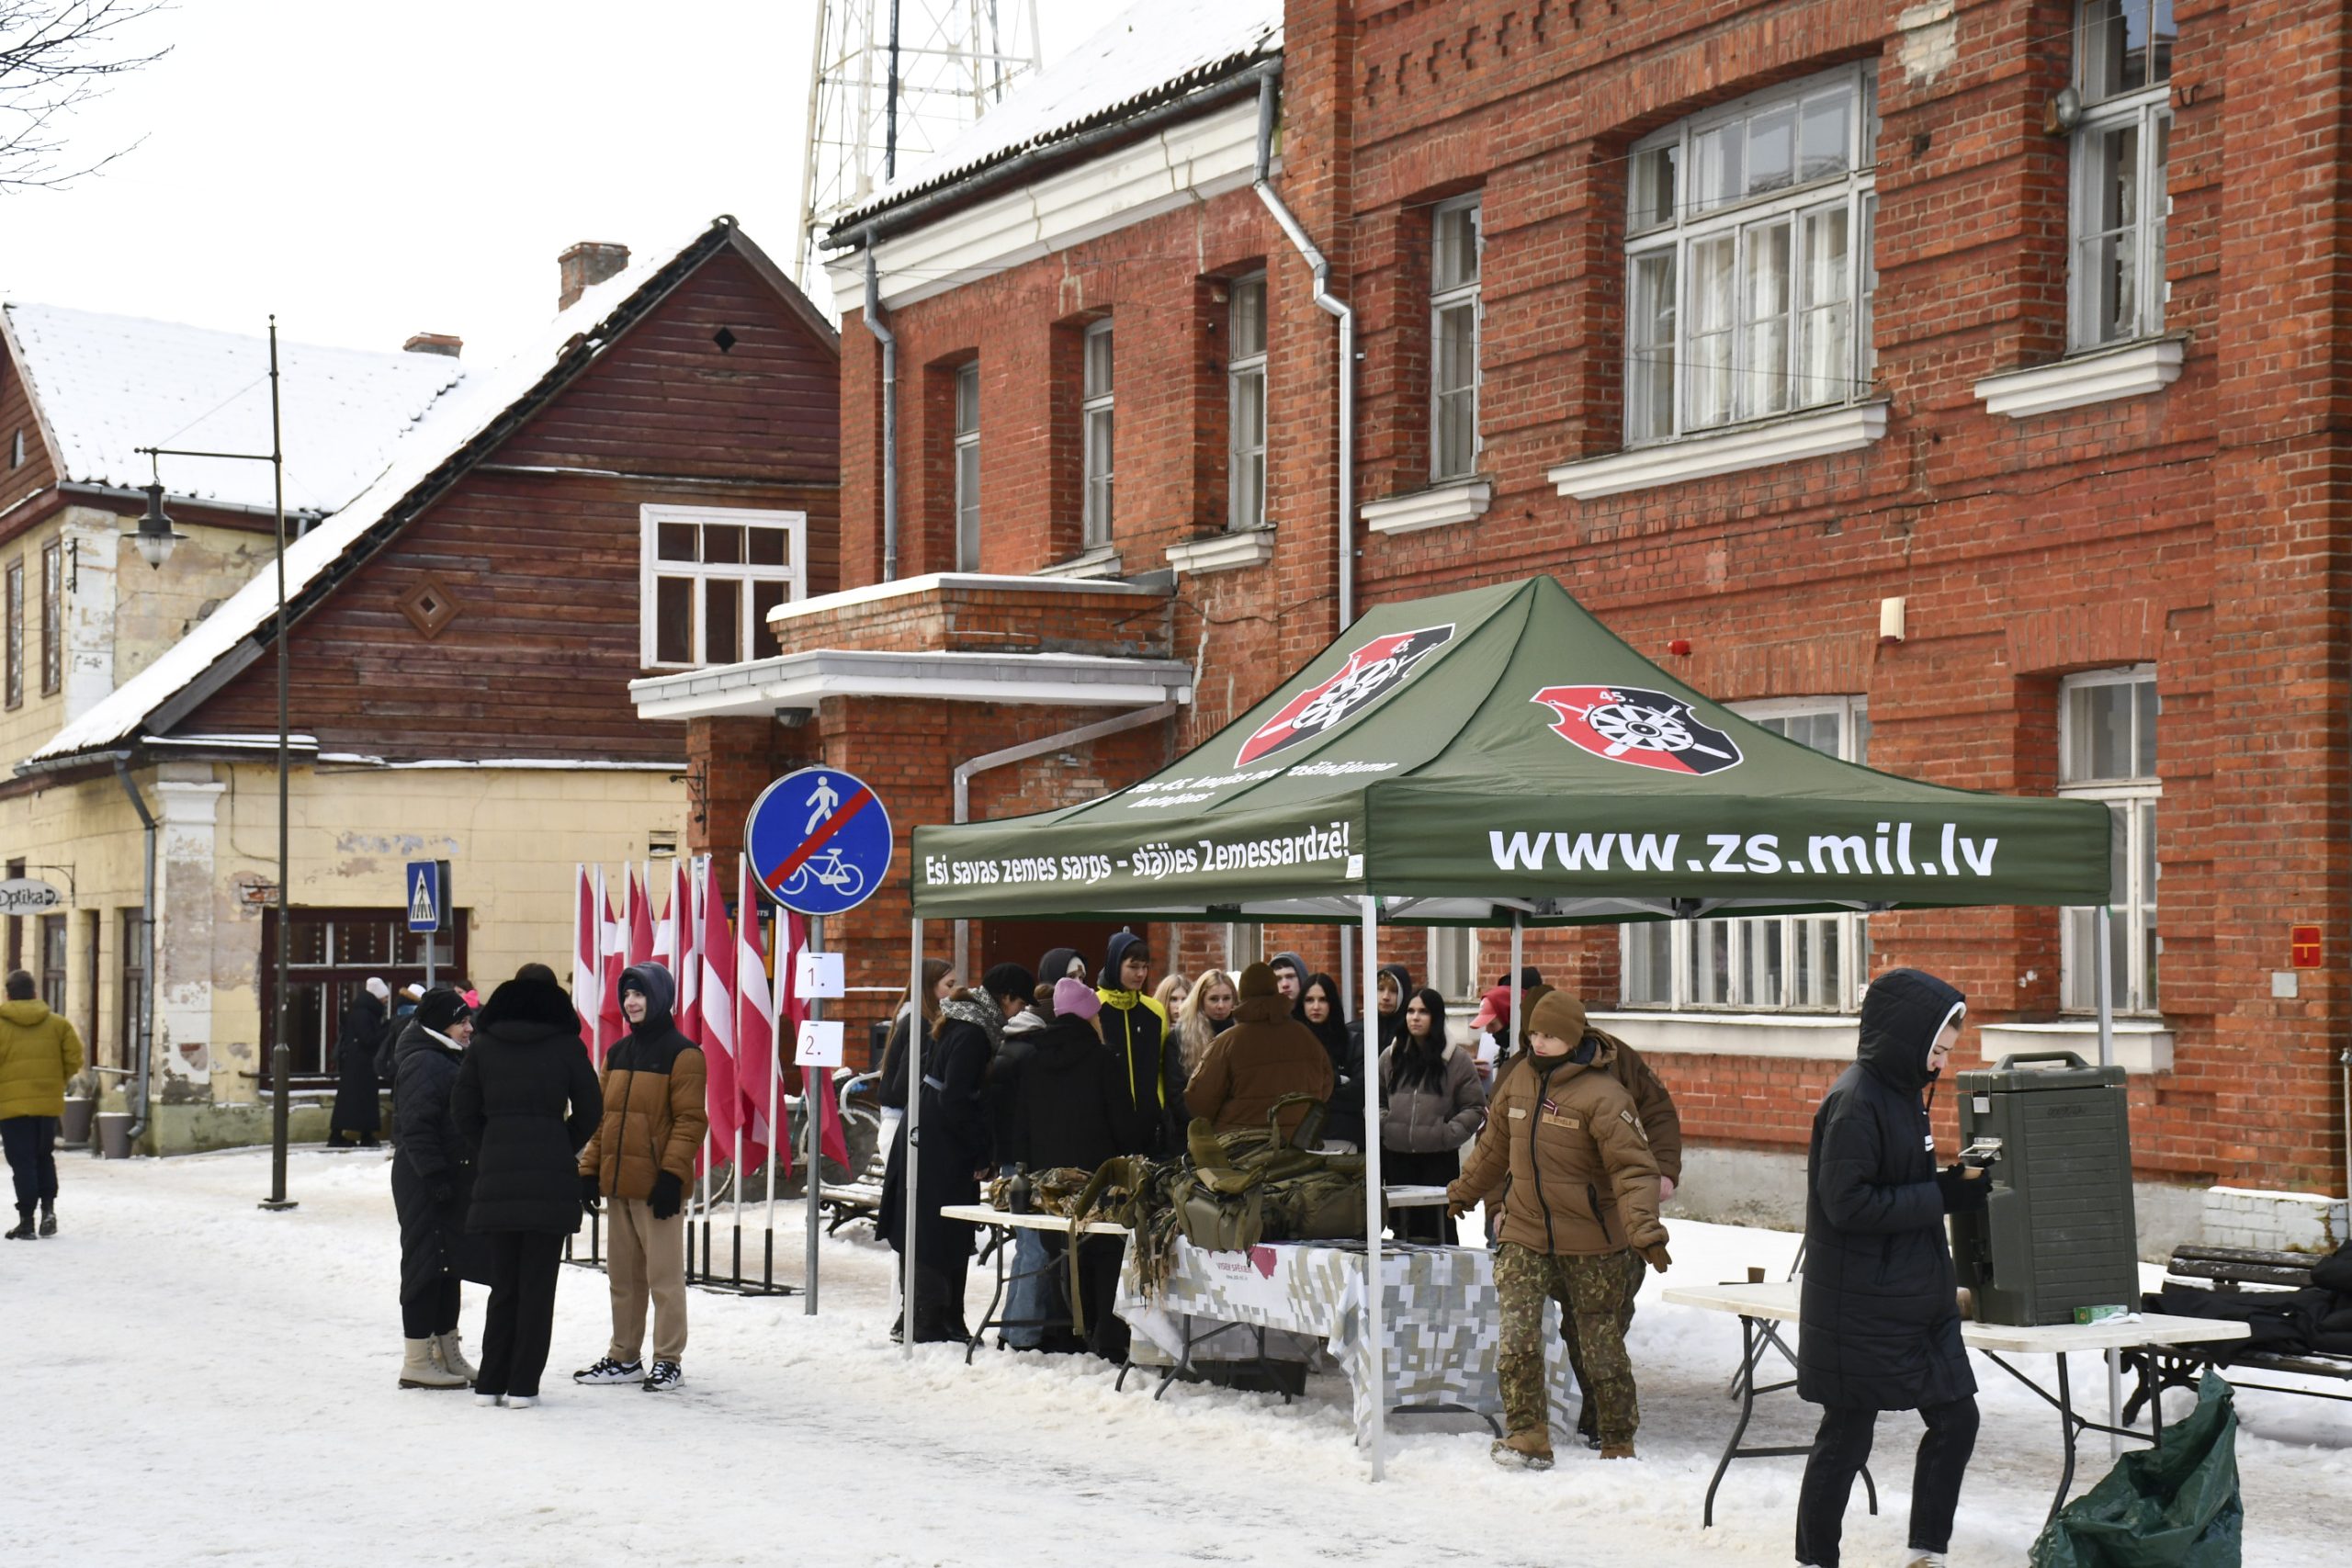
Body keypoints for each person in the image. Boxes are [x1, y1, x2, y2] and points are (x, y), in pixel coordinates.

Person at [1794, 968, 1985, 1568]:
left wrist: (1953, 1186)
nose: (1941, 1062)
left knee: (1957, 1418)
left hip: (1913, 1299)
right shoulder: (1856, 1101)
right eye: (1937, 1049)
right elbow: (1847, 1204)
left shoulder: (1901, 1091)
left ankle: (1927, 1552)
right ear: (1906, 1037)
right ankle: (1815, 1559)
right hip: (1861, 1304)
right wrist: (1939, 1196)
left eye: (1946, 1052)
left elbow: (1898, 1184)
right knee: (1846, 1435)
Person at [1447, 988, 1668, 1469]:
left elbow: (1634, 1169)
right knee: (1518, 1337)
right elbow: (1493, 1148)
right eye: (1534, 1034)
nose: (1539, 1043)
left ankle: (1617, 1437)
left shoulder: (1605, 1095)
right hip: (1524, 1232)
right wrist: (1464, 1190)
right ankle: (1527, 1433)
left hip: (1591, 1241)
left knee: (1598, 1345)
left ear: (1572, 1037)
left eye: (1550, 1035)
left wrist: (1644, 1230)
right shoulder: (1519, 1080)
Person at [451, 965, 602, 1408]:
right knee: (537, 1287)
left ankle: (490, 1383)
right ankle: (522, 1387)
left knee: (503, 1286)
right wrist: (560, 1143)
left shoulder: (484, 1044)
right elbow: (591, 1108)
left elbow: (462, 1110)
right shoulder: (566, 1045)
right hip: (549, 1180)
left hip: (497, 1177)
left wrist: (491, 1145)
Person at [877, 962, 1033, 1343]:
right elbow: (957, 1096)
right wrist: (979, 1151)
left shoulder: (966, 1020)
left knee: (943, 1225)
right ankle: (927, 1319)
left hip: (932, 1132)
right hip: (940, 1141)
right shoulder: (974, 1032)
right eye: (1019, 1003)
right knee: (937, 1226)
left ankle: (940, 1317)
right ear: (1005, 997)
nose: (1019, 1012)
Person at [572, 962, 707, 1393]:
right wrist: (589, 1170)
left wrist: (671, 1175)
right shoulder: (617, 1054)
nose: (631, 1002)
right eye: (627, 994)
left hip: (656, 1189)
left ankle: (668, 1359)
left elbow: (690, 1121)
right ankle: (624, 1355)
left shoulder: (684, 1055)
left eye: (640, 993)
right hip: (618, 1184)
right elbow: (604, 1120)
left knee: (663, 1279)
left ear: (660, 997)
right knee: (623, 1279)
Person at [989, 976, 1129, 1358]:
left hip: (1048, 1183)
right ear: (1088, 1017)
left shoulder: (1033, 1059)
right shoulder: (1104, 1060)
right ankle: (1103, 1335)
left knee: (1058, 1255)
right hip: (1096, 1180)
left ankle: (1062, 1329)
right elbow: (1123, 1124)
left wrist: (1030, 1170)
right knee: (1103, 1252)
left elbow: (1022, 1124)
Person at [390, 987, 480, 1389]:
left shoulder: (445, 1056)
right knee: (425, 1264)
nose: (468, 1028)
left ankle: (447, 1352)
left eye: (468, 1019)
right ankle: (416, 1361)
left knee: (448, 1264)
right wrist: (436, 1176)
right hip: (424, 1179)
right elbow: (416, 1127)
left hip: (443, 1176)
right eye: (461, 1021)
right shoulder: (425, 1061)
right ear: (440, 1025)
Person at [1377, 987, 1486, 1243]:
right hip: (1397, 1157)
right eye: (1411, 1011)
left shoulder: (1457, 1060)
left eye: (1423, 1012)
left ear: (1435, 1017)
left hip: (1438, 1159)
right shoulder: (1391, 1056)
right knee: (1402, 1231)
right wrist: (1386, 1124)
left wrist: (1446, 1134)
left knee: (1440, 1230)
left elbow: (1474, 1106)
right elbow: (1375, 1098)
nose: (1415, 1017)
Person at [1183, 962, 1332, 1141]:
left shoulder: (1228, 1042)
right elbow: (1325, 1087)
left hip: (1241, 1146)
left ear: (1241, 995)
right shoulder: (1306, 1037)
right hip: (1296, 1144)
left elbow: (1199, 1102)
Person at [0, 969, 83, 1240]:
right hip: (47, 1105)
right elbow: (74, 1058)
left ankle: (26, 1222)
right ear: (35, 993)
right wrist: (56, 1080)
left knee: (22, 1162)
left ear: (8, 996)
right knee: (43, 1156)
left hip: (10, 1107)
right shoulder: (58, 1024)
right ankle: (48, 1210)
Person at [1097, 932, 1184, 1156]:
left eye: (1145, 967)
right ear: (1115, 964)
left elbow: (1162, 1065)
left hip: (1150, 1126)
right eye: (1133, 966)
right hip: (1106, 1126)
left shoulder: (1154, 1011)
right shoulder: (1094, 1008)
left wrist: (1160, 1107)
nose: (1141, 974)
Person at [878, 958, 954, 1139]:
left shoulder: (916, 1020)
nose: (954, 991)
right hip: (905, 1124)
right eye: (949, 985)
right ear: (930, 985)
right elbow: (904, 1084)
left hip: (903, 1121)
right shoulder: (921, 1024)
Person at [1295, 973, 1363, 1148]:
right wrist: (1338, 1081)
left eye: (1323, 1000)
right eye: (1309, 1000)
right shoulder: (1292, 1043)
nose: (1316, 1006)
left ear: (1332, 1002)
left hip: (1344, 1135)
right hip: (1299, 1137)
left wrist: (1316, 1094)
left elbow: (1358, 1094)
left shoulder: (1353, 1042)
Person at [328, 977, 390, 1149]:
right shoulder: (364, 1014)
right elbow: (368, 1039)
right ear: (377, 996)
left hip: (357, 1063)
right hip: (361, 1064)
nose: (386, 1001)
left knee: (353, 1100)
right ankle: (361, 1135)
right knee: (362, 1100)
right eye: (385, 997)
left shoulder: (362, 1011)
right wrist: (387, 1028)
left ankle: (346, 1134)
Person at [1173, 969, 1239, 1080]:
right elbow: (1175, 1086)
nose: (1221, 1005)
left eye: (1226, 998)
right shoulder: (1180, 1036)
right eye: (1214, 999)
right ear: (1200, 1000)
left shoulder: (1242, 1032)